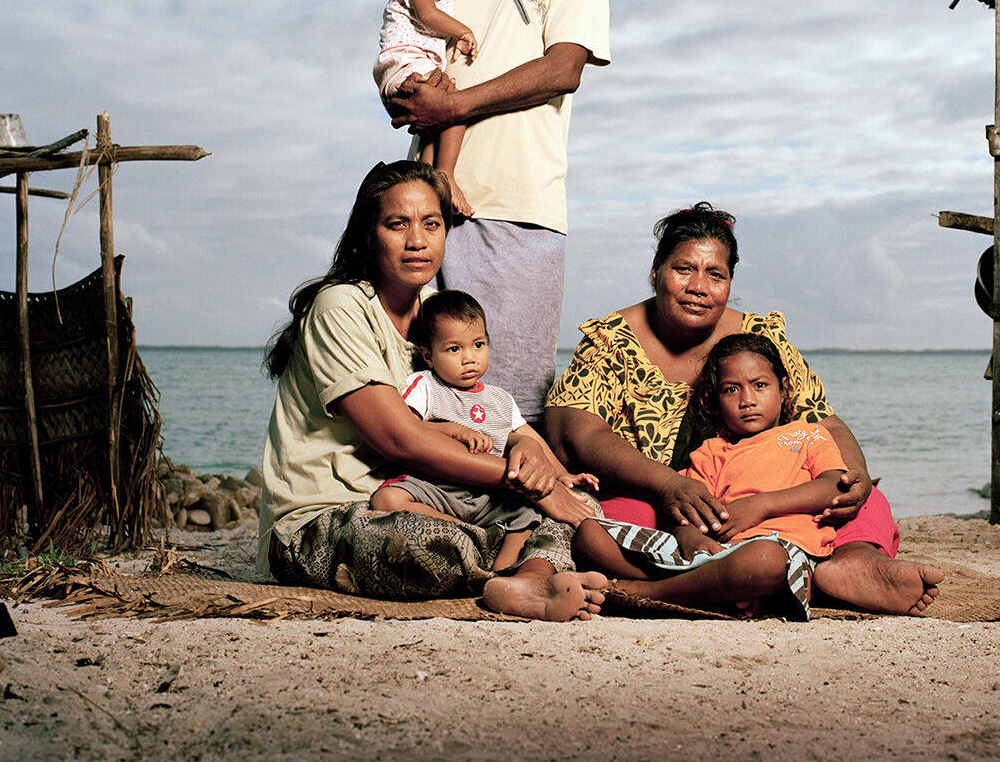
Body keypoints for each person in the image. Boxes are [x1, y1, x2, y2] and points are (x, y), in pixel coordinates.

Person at [545, 202, 944, 615]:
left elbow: (821, 419)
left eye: (715, 274)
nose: (699, 286)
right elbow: (581, 432)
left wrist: (855, 475)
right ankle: (739, 580)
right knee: (607, 521)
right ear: (656, 271)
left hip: (761, 500)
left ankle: (853, 565)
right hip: (659, 498)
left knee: (864, 499)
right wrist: (667, 486)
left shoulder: (757, 336)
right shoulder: (611, 338)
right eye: (684, 269)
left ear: (730, 280)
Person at [257, 159, 607, 622]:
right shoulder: (340, 306)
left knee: (581, 505)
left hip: (427, 498)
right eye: (397, 224)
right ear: (368, 233)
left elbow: (484, 407)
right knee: (418, 543)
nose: (417, 240)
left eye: (432, 224)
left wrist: (533, 454)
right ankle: (524, 566)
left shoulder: (432, 315)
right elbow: (400, 440)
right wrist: (525, 482)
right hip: (326, 520)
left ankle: (523, 580)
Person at [388, 0, 611, 424]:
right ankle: (432, 511)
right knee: (419, 386)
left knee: (513, 399)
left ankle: (525, 515)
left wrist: (454, 107)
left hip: (519, 208)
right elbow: (406, 33)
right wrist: (402, 91)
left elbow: (563, 69)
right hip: (427, 204)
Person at [573, 333, 847, 619]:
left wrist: (763, 505)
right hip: (711, 554)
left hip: (779, 552)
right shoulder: (711, 452)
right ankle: (712, 593)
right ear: (715, 399)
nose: (747, 400)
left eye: (760, 385)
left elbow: (833, 487)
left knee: (764, 560)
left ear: (783, 388)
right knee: (589, 534)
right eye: (731, 390)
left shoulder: (809, 435)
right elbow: (687, 509)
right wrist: (688, 536)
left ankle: (647, 593)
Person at [370, 289, 599, 571]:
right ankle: (466, 533)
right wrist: (451, 430)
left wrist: (563, 475)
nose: (469, 358)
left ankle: (500, 575)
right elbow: (408, 430)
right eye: (454, 349)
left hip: (492, 495)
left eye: (478, 345)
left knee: (530, 515)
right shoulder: (425, 386)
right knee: (386, 498)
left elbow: (530, 440)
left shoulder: (500, 399)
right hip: (440, 488)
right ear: (428, 356)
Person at [372, 0, 477, 216]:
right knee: (455, 104)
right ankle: (446, 173)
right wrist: (462, 32)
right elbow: (426, 15)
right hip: (405, 61)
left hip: (403, 66)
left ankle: (429, 175)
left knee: (435, 123)